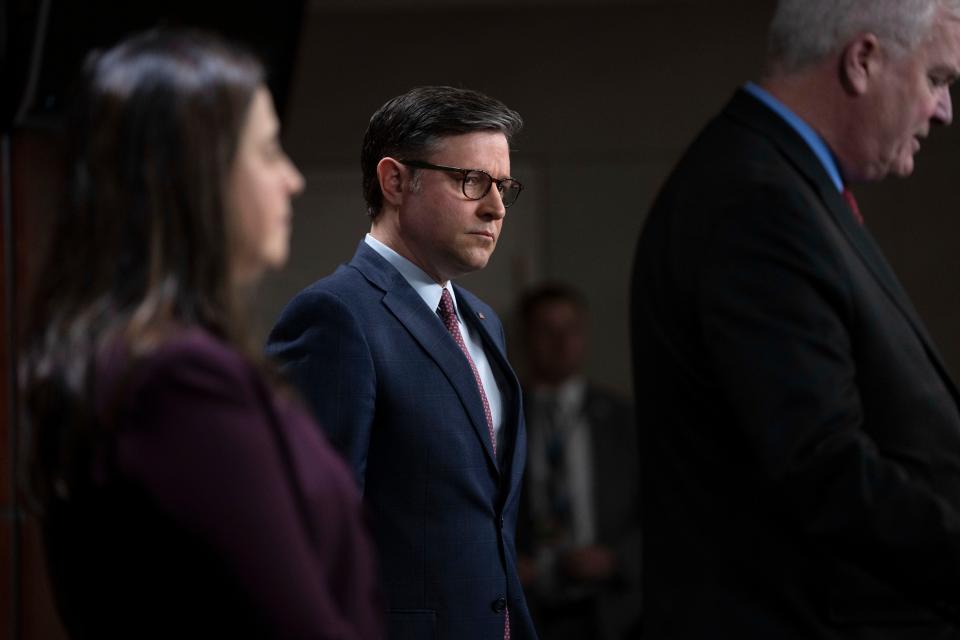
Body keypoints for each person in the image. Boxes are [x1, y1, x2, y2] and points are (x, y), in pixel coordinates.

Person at [19, 29, 382, 639]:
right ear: (195, 175)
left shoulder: (129, 357)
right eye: (268, 152)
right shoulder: (178, 381)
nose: (292, 179)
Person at [631, 0, 960, 637]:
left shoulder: (780, 181)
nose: (944, 110)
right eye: (938, 79)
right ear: (862, 60)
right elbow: (822, 468)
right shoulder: (757, 200)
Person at [266, 86, 536, 640]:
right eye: (471, 181)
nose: (496, 207)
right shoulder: (335, 316)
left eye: (504, 187)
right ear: (395, 182)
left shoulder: (484, 322)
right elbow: (308, 541)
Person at [515, 284, 642, 640]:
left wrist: (616, 558)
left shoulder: (622, 418)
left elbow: (660, 510)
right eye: (547, 330)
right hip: (530, 605)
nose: (561, 342)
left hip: (612, 610)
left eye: (571, 329)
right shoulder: (501, 418)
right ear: (525, 337)